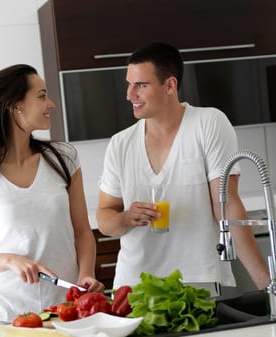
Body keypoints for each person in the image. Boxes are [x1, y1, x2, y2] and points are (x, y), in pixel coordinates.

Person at [96, 42, 270, 295]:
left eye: (141, 85)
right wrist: (124, 218)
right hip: (134, 284)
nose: (129, 95)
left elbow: (227, 205)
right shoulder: (120, 144)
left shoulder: (208, 123)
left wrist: (267, 284)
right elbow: (104, 217)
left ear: (170, 85)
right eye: (129, 84)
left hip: (196, 280)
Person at [0, 64, 104, 323]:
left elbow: (82, 231)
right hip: (8, 313)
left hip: (65, 308)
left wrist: (86, 276)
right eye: (41, 96)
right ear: (14, 105)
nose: (51, 104)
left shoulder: (63, 158)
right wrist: (10, 260)